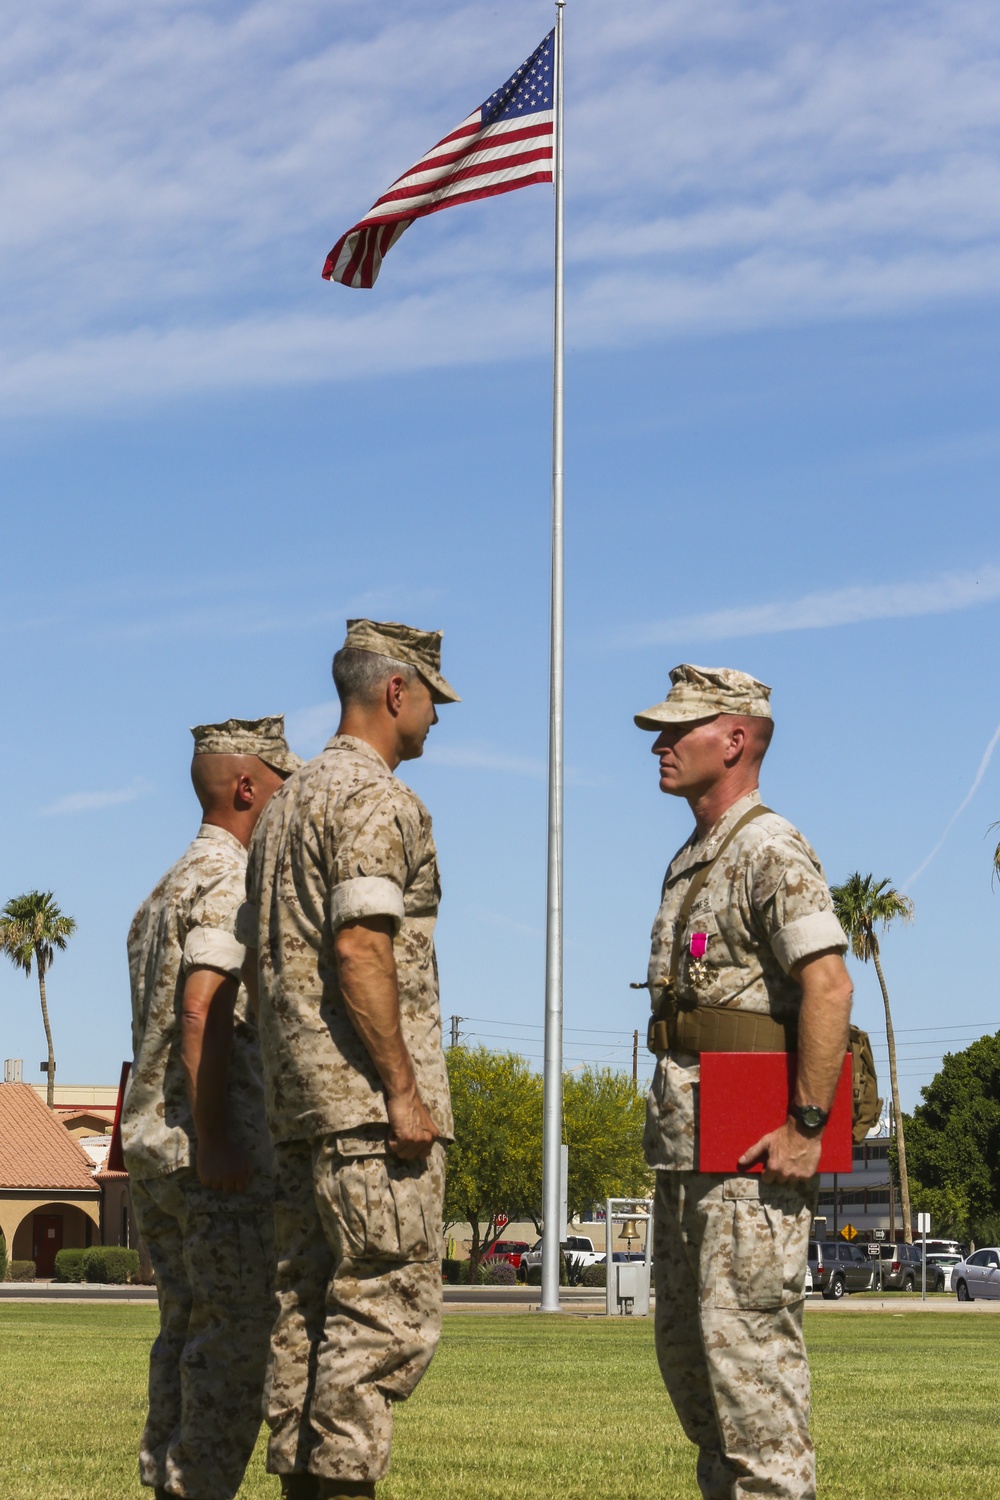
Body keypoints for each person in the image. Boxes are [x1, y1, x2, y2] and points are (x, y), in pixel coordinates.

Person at [238, 619, 459, 1500]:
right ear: (395, 691)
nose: (437, 720)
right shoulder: (375, 800)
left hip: (298, 1109)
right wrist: (403, 1091)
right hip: (367, 1116)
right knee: (376, 1329)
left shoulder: (285, 804)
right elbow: (362, 947)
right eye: (432, 701)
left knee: (304, 1324)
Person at [634, 664, 853, 1500]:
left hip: (750, 1157)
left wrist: (806, 1125)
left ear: (734, 739)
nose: (659, 743)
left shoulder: (770, 846)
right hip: (691, 1154)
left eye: (677, 728)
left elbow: (829, 985)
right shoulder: (694, 855)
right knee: (697, 1375)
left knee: (751, 1374)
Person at [122, 716, 302, 1500]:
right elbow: (201, 1010)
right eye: (280, 786)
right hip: (209, 1158)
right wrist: (221, 1137)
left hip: (155, 1147)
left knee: (183, 1335)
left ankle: (167, 1482)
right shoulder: (231, 881)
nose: (287, 801)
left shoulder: (161, 891)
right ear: (245, 787)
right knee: (231, 1346)